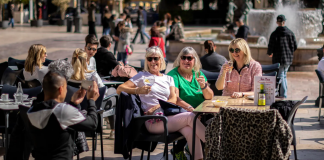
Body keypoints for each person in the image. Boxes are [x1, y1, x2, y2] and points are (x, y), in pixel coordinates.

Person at [116, 46, 206, 160]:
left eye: (156, 58)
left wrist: (157, 106)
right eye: (150, 59)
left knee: (189, 131)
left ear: (161, 60)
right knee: (190, 117)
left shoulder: (168, 78)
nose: (153, 62)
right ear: (147, 61)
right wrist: (137, 90)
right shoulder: (142, 76)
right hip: (153, 120)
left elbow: (174, 98)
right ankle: (215, 145)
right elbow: (119, 89)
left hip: (168, 117)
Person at [28, 71, 99, 160]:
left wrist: (74, 103)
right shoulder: (62, 111)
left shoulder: (32, 110)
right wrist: (91, 100)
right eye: (66, 88)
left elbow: (62, 122)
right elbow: (92, 124)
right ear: (61, 89)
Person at [167, 47, 213, 159]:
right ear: (179, 59)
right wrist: (191, 109)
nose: (186, 61)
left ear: (194, 61)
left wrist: (204, 86)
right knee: (197, 121)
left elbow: (209, 96)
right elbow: (175, 98)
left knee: (216, 119)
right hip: (182, 112)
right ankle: (210, 147)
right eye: (183, 58)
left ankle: (190, 149)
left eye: (189, 58)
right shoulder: (174, 75)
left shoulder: (198, 74)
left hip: (201, 111)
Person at [267, 14, 297, 98]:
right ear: (284, 22)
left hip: (278, 58)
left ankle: (283, 95)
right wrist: (290, 52)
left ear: (277, 22)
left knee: (281, 75)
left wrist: (270, 53)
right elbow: (295, 46)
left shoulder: (274, 34)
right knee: (284, 74)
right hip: (288, 58)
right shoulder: (290, 33)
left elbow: (271, 45)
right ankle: (282, 94)